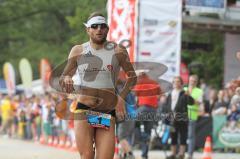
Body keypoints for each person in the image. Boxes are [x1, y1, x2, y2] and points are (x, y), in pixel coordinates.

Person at [57, 12, 137, 159]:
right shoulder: (79, 50)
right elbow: (64, 77)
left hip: (105, 111)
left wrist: (121, 98)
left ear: (107, 29)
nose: (99, 29)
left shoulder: (118, 50)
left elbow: (132, 77)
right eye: (94, 26)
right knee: (87, 156)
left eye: (102, 26)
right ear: (88, 30)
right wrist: (67, 78)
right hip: (84, 109)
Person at [163, 76, 194, 159]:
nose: (176, 83)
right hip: (172, 118)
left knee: (183, 136)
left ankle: (181, 153)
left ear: (181, 83)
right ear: (173, 83)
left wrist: (189, 95)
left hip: (182, 118)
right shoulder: (170, 93)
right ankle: (173, 153)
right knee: (173, 136)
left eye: (178, 81)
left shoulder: (184, 93)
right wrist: (167, 113)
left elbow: (191, 103)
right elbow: (166, 105)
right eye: (174, 82)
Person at [133, 71, 161, 159]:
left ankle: (142, 137)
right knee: (148, 130)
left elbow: (134, 96)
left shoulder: (139, 83)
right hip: (153, 109)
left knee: (132, 122)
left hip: (143, 108)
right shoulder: (155, 83)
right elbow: (159, 96)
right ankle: (144, 154)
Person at [184, 75, 203, 159]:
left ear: (196, 82)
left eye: (194, 81)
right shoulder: (184, 89)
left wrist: (190, 96)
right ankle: (181, 152)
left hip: (193, 115)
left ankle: (189, 155)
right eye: (191, 80)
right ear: (189, 80)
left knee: (191, 135)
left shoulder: (199, 91)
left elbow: (199, 103)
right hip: (182, 115)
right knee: (182, 134)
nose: (192, 82)